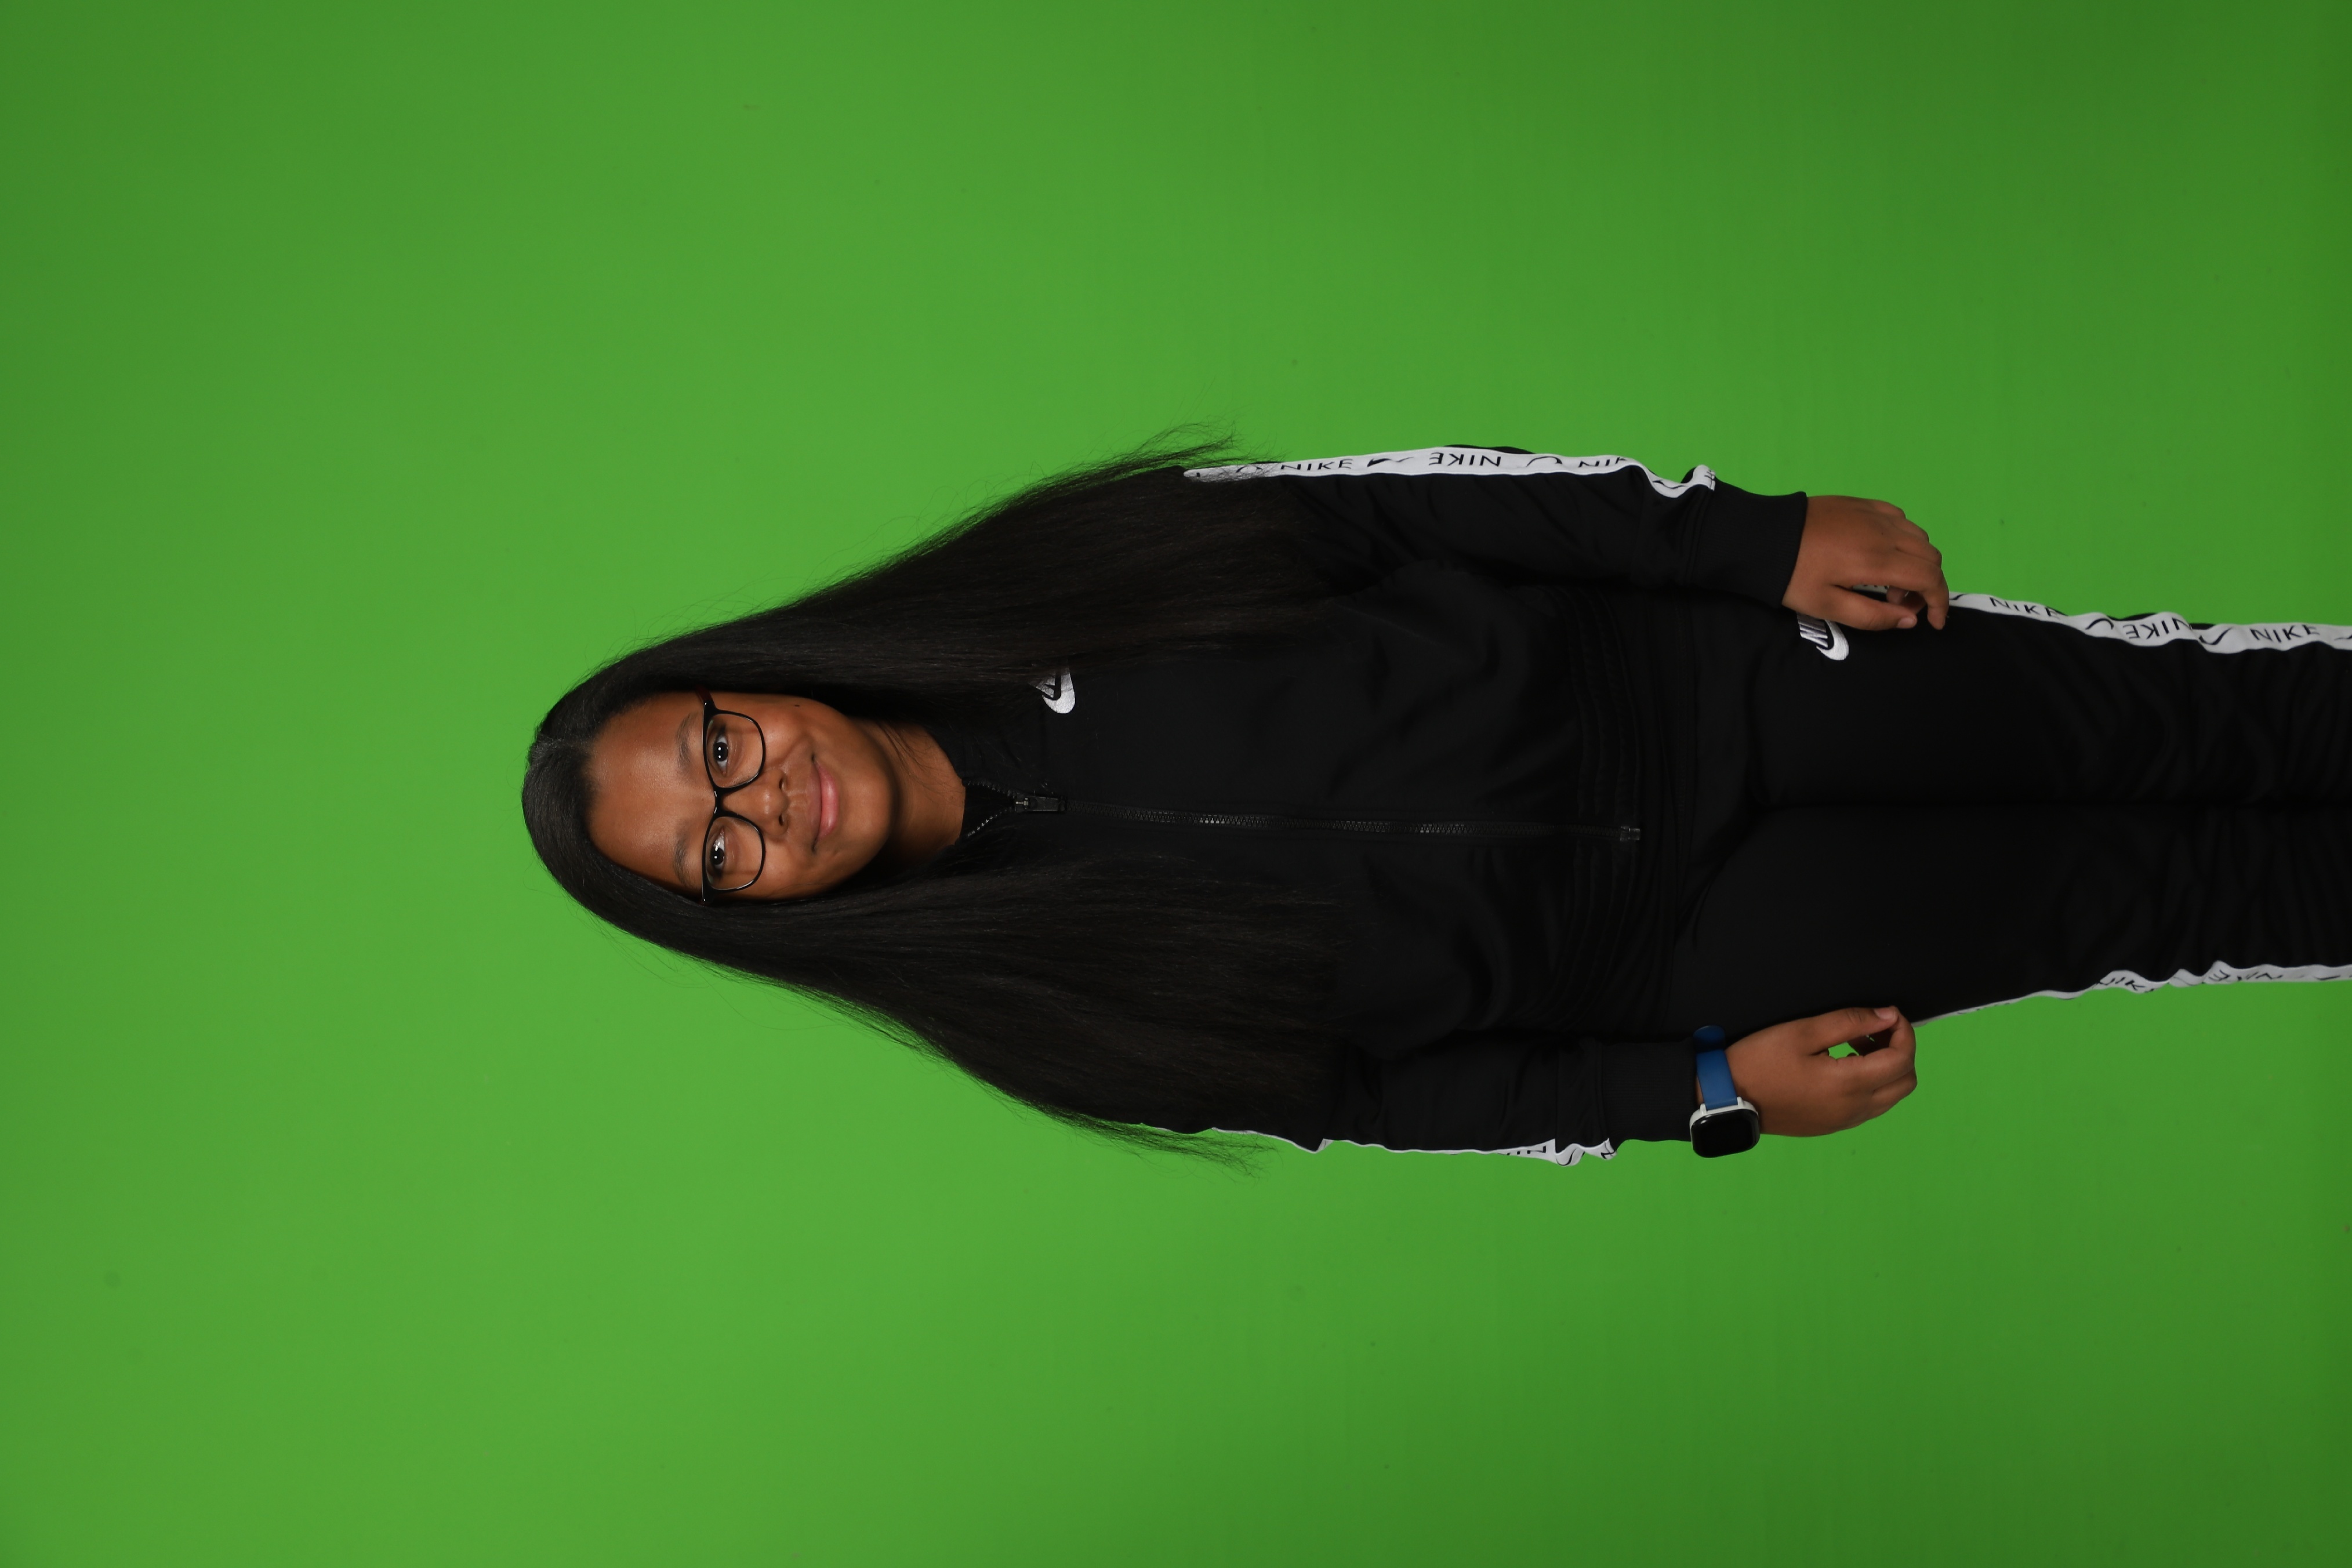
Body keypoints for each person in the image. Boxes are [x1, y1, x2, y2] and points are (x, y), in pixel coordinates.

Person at [521, 440, 2352, 1165]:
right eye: (719, 853)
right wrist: (1706, 1090)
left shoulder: (1054, 575)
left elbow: (1422, 506)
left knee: (2203, 724)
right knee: (2177, 905)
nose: (767, 803)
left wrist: (1745, 544)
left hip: (1696, 680)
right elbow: (1394, 1100)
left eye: (721, 748)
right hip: (1682, 954)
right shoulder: (1038, 1015)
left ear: (754, 677)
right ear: (747, 914)